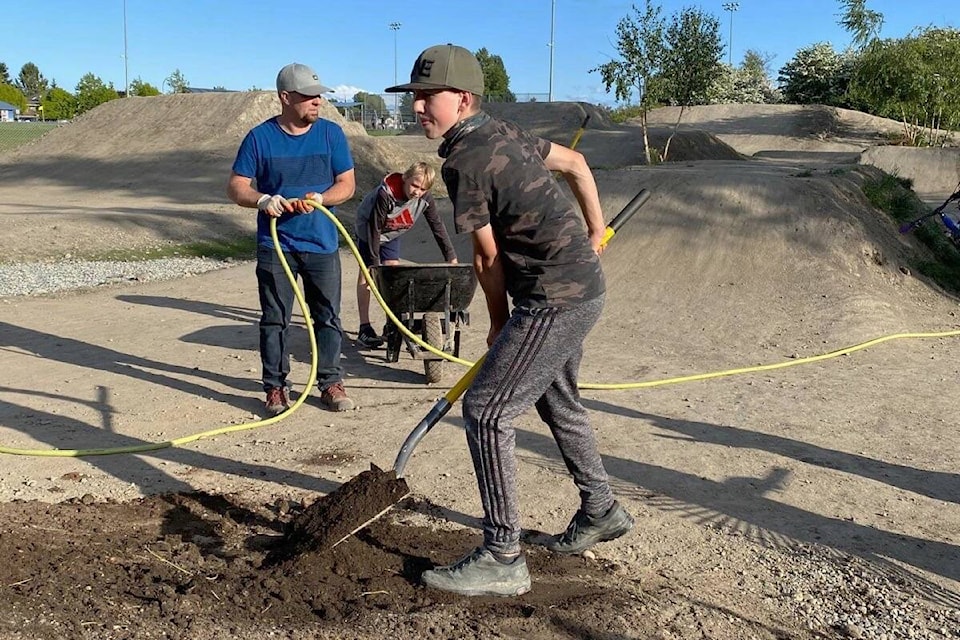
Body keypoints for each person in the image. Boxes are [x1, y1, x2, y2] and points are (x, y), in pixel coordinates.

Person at [385, 44, 633, 597]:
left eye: (429, 97)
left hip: (552, 299)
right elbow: (575, 164)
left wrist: (498, 325)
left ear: (463, 99)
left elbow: (486, 257)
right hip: (580, 289)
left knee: (487, 410)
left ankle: (502, 554)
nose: (418, 107)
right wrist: (594, 234)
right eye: (415, 97)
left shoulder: (465, 160)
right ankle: (601, 509)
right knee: (557, 400)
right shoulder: (503, 131)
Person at [227, 62, 357, 415]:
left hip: (322, 244)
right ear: (285, 97)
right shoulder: (259, 138)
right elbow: (237, 186)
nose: (318, 102)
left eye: (319, 96)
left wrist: (321, 198)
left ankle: (330, 382)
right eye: (309, 96)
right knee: (275, 318)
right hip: (276, 246)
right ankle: (275, 387)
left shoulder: (331, 135)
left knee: (328, 317)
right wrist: (263, 199)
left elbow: (347, 185)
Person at [353, 161, 458, 348]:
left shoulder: (425, 198)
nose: (417, 191)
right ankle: (365, 328)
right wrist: (374, 264)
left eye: (422, 188)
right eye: (414, 185)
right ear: (405, 178)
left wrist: (451, 256)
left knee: (394, 275)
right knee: (367, 276)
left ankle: (392, 324)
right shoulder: (385, 194)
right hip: (370, 231)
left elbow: (438, 226)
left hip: (393, 233)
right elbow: (375, 229)